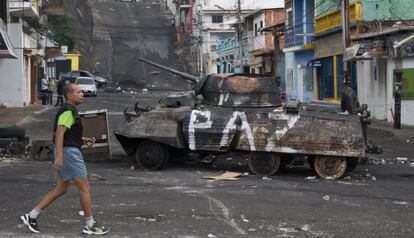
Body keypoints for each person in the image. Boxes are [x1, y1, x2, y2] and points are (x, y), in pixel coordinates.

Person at [20, 83, 109, 235]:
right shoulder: (68, 111)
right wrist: (60, 157)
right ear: (69, 95)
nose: (82, 94)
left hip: (67, 151)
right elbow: (60, 134)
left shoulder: (70, 111)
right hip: (69, 154)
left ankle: (32, 215)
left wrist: (81, 139)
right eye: (78, 92)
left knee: (61, 188)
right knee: (84, 188)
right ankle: (90, 224)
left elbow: (67, 133)